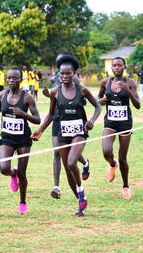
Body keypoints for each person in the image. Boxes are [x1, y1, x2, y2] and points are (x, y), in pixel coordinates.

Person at [32, 54, 101, 217]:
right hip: (63, 132)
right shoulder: (55, 92)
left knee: (71, 162)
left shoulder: (82, 89)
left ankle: (81, 191)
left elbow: (98, 107)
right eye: (61, 74)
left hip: (79, 132)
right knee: (68, 170)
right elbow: (50, 115)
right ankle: (80, 201)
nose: (64, 76)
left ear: (74, 73)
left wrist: (91, 121)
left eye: (68, 73)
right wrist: (40, 130)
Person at [0, 67, 40, 214]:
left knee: (23, 172)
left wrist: (23, 114)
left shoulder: (27, 98)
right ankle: (12, 174)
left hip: (23, 139)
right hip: (7, 137)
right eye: (9, 78)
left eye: (14, 78)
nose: (11, 81)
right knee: (3, 168)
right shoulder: (2, 95)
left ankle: (22, 202)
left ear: (20, 80)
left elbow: (38, 119)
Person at [42, 53, 90, 200]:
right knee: (58, 153)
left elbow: (83, 101)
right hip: (58, 121)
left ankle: (84, 163)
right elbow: (54, 102)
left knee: (71, 158)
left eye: (66, 72)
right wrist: (49, 96)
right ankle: (57, 186)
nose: (62, 75)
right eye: (60, 71)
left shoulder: (76, 82)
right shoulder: (54, 80)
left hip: (75, 122)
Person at [98, 57, 141, 199]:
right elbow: (99, 100)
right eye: (114, 66)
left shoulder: (130, 82)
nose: (116, 68)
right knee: (106, 150)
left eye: (119, 65)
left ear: (124, 67)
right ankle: (112, 163)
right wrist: (102, 101)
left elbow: (137, 105)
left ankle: (126, 186)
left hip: (125, 123)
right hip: (110, 121)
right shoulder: (106, 82)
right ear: (111, 68)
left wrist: (127, 90)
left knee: (123, 158)